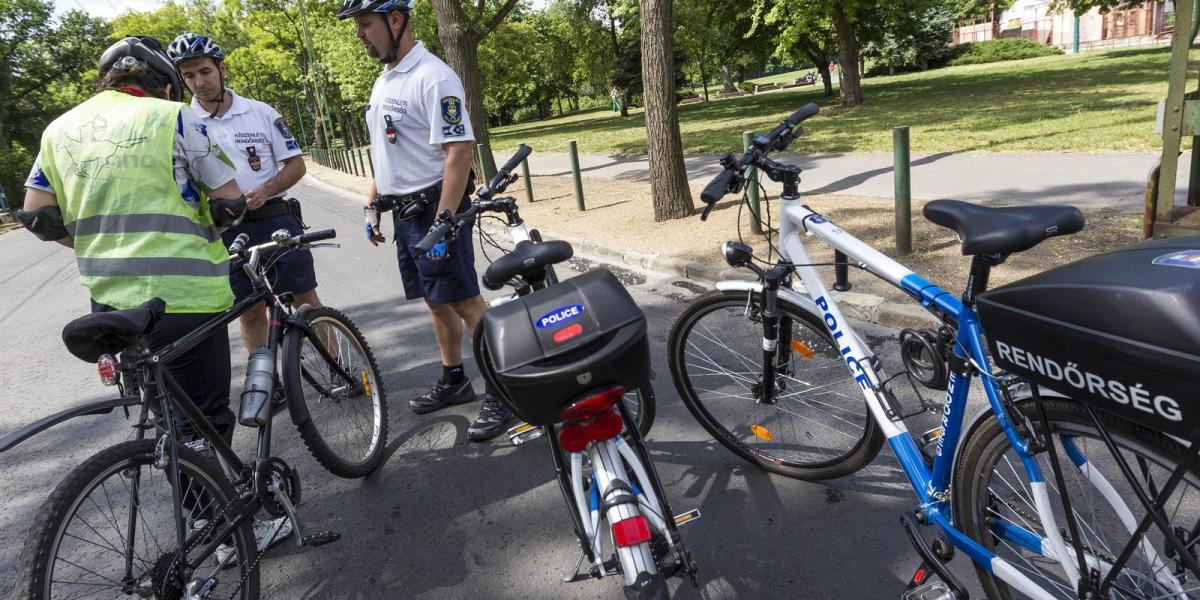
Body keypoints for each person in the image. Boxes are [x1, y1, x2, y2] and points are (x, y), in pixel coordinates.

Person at [19, 35, 249, 551]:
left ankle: (204, 517)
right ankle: (225, 530)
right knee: (204, 422)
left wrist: (89, 242)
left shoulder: (58, 130)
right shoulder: (174, 118)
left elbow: (34, 213)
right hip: (185, 298)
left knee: (164, 418)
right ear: (164, 81)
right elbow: (230, 203)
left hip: (110, 304)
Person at [338, 0, 512, 441]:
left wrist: (445, 221)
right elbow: (386, 151)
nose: (360, 34)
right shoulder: (386, 79)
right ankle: (455, 378)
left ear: (395, 21)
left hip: (436, 207)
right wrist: (373, 202)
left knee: (466, 301)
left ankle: (502, 390)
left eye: (365, 25)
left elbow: (459, 152)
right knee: (436, 300)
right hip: (405, 211)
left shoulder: (433, 77)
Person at [168, 32, 320, 355]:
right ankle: (267, 386)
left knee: (305, 299)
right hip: (226, 232)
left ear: (222, 69)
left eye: (205, 72)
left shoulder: (261, 112)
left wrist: (267, 189)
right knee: (250, 313)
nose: (199, 83)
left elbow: (297, 165)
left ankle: (338, 369)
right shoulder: (183, 124)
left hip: (274, 219)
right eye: (189, 76)